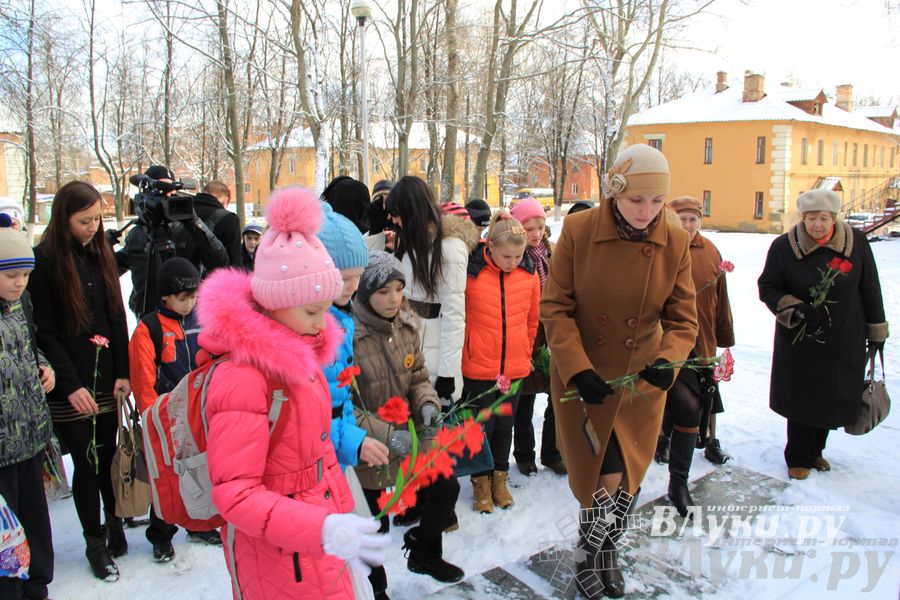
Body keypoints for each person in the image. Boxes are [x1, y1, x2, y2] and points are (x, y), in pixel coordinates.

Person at [197, 187, 388, 599]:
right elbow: (235, 494)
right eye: (313, 311)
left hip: (315, 547)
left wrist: (341, 520)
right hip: (278, 559)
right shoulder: (244, 379)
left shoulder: (307, 359)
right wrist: (322, 528)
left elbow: (319, 457)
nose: (325, 323)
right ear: (275, 301)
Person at [541, 144, 698, 599]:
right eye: (635, 200)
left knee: (628, 478)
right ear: (614, 193)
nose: (646, 212)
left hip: (641, 378)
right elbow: (556, 308)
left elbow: (683, 319)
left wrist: (670, 358)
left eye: (656, 202)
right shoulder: (579, 229)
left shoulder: (675, 238)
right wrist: (576, 367)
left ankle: (604, 549)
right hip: (586, 377)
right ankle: (590, 557)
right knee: (601, 478)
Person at [28, 180, 132, 582]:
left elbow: (116, 315)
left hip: (106, 376)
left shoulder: (99, 251)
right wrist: (71, 386)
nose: (92, 227)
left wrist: (122, 370)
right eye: (83, 220)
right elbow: (46, 333)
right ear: (63, 218)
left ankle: (116, 522)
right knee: (86, 465)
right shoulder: (45, 261)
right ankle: (95, 541)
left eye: (97, 219)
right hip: (70, 384)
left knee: (109, 456)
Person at [352, 251, 464, 593]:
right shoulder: (350, 337)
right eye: (384, 291)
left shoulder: (406, 323)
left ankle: (424, 552)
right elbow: (345, 408)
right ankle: (376, 588)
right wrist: (384, 437)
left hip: (410, 433)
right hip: (369, 445)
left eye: (399, 289)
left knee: (446, 487)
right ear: (365, 293)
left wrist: (428, 403)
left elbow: (418, 376)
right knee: (375, 527)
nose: (393, 299)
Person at [758, 189, 888, 481]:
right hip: (800, 339)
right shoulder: (783, 247)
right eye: (811, 218)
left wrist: (876, 330)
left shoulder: (856, 244)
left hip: (845, 337)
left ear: (834, 218)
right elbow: (768, 288)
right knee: (803, 397)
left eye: (824, 218)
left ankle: (817, 451)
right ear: (802, 218)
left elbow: (870, 289)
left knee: (834, 396)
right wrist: (796, 310)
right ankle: (798, 456)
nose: (817, 224)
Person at [128, 257, 222, 561]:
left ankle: (199, 521)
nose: (189, 304)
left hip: (200, 411)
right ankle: (161, 532)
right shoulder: (149, 328)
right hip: (166, 415)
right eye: (183, 298)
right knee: (167, 475)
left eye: (194, 297)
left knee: (200, 467)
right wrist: (150, 416)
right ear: (164, 297)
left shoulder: (201, 320)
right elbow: (143, 377)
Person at [462, 211, 540, 512]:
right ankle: (480, 482)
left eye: (519, 256)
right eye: (507, 256)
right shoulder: (474, 271)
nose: (513, 262)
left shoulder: (528, 273)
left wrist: (526, 350)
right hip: (479, 365)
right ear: (490, 246)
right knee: (483, 426)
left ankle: (499, 479)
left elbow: (532, 318)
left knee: (505, 424)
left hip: (515, 366)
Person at [662, 196, 735, 517]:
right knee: (681, 407)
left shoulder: (710, 253)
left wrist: (724, 338)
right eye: (682, 220)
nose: (688, 226)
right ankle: (661, 456)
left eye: (693, 220)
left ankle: (678, 481)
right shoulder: (662, 248)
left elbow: (721, 297)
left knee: (695, 408)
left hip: (700, 342)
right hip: (665, 343)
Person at [385, 176, 479, 407]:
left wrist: (447, 373)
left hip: (435, 351)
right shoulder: (409, 242)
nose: (393, 220)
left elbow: (454, 316)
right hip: (408, 344)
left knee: (437, 431)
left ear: (411, 210)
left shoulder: (450, 248)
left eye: (396, 213)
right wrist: (378, 230)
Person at [0, 214, 55, 600]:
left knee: (35, 521)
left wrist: (45, 367)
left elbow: (30, 348)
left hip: (30, 437)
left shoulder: (19, 306)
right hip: (1, 447)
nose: (20, 283)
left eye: (25, 275)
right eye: (11, 275)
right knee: (6, 530)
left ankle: (37, 584)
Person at [317, 203, 389, 472]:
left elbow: (340, 399)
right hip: (320, 456)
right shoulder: (316, 329)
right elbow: (317, 412)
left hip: (335, 448)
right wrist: (351, 443)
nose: (355, 286)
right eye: (346, 277)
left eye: (359, 276)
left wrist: (351, 440)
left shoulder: (341, 316)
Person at [115, 165, 229, 317]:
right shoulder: (137, 234)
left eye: (170, 192)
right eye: (160, 192)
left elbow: (220, 261)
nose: (166, 198)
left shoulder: (189, 228)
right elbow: (112, 269)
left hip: (185, 321)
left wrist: (193, 222)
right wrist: (102, 246)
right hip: (147, 320)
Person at [510, 197, 566, 477]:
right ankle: (524, 454)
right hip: (526, 337)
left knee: (558, 398)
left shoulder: (554, 254)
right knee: (524, 402)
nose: (535, 233)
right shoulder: (513, 258)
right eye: (528, 227)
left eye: (539, 227)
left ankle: (553, 453)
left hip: (553, 335)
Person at [193, 180, 243, 268]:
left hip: (179, 275)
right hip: (214, 278)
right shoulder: (230, 219)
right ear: (225, 200)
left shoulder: (181, 211)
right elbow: (235, 262)